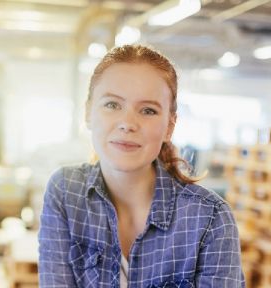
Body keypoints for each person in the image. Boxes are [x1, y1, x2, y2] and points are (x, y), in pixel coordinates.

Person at [38, 44, 244, 287]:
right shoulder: (65, 191)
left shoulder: (210, 217)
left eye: (148, 110)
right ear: (88, 113)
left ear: (169, 126)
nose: (127, 123)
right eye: (112, 105)